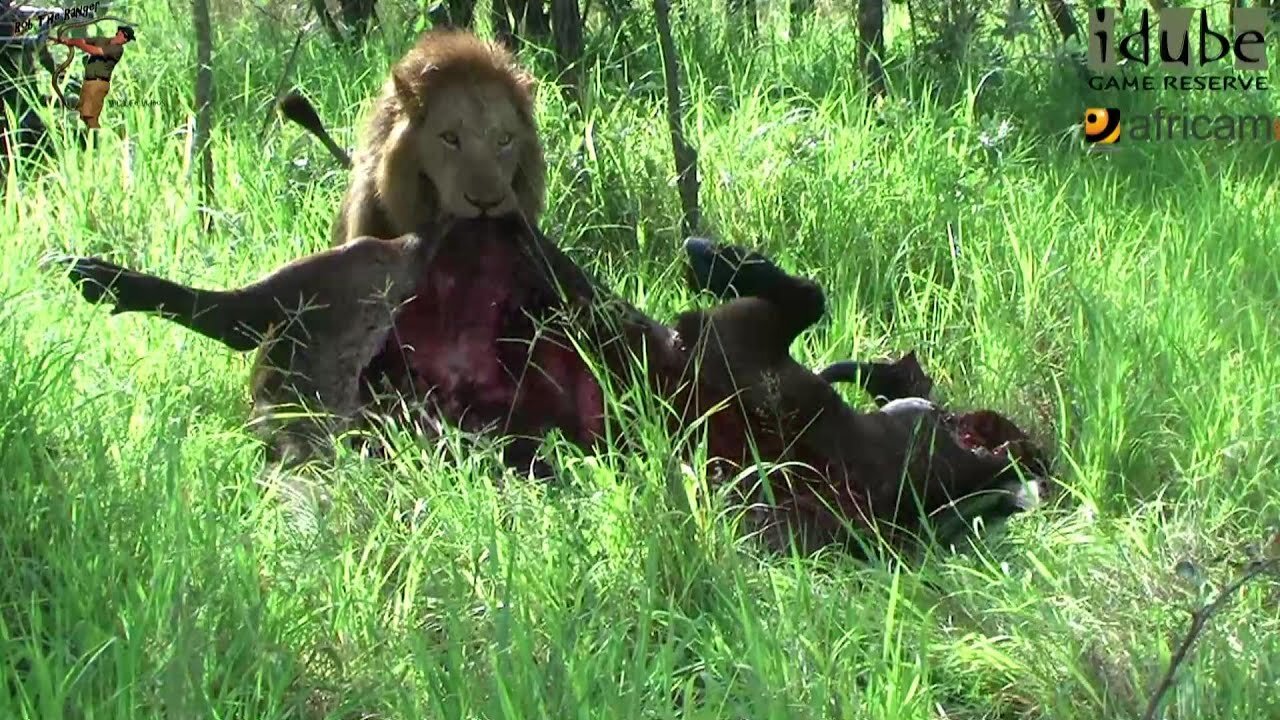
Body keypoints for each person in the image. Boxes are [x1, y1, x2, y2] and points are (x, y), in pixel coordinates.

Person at [52, 25, 134, 129]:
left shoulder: (117, 50)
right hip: (89, 82)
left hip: (98, 83)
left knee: (90, 117)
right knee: (83, 114)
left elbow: (95, 51)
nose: (125, 40)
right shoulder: (101, 40)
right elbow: (83, 40)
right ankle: (91, 141)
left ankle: (97, 140)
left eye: (127, 39)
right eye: (125, 36)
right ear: (119, 33)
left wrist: (78, 44)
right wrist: (66, 41)